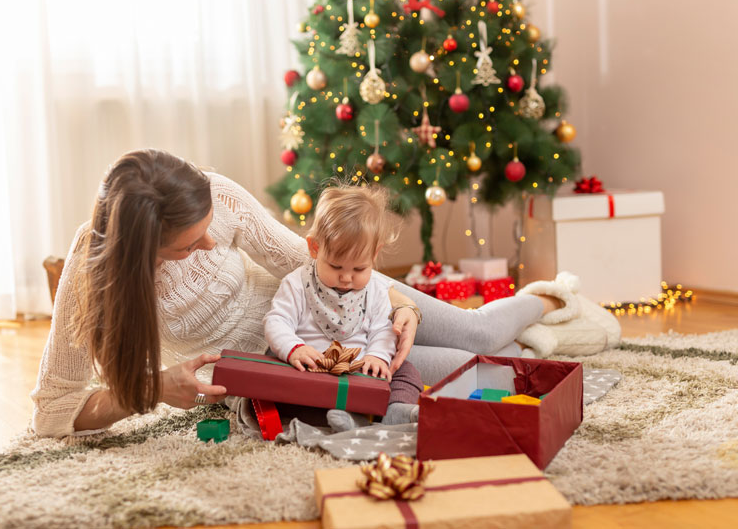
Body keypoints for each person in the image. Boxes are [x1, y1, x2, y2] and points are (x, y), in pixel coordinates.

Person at [30, 149, 593, 439]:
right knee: (474, 369)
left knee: (477, 332)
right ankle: (532, 333)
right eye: (186, 246)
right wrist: (150, 389)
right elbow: (53, 415)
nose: (207, 241)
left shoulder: (213, 197)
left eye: (207, 230)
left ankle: (552, 297)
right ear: (140, 247)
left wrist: (397, 302)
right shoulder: (91, 277)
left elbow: (306, 258)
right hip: (299, 364)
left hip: (339, 294)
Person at [263, 185, 422, 430]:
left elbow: (383, 329)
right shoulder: (297, 283)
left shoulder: (376, 289)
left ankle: (396, 412)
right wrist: (294, 349)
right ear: (315, 248)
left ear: (375, 254)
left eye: (359, 269)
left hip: (362, 369)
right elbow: (276, 322)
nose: (347, 278)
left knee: (405, 372)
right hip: (315, 371)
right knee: (283, 387)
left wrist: (377, 356)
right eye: (336, 267)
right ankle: (349, 420)